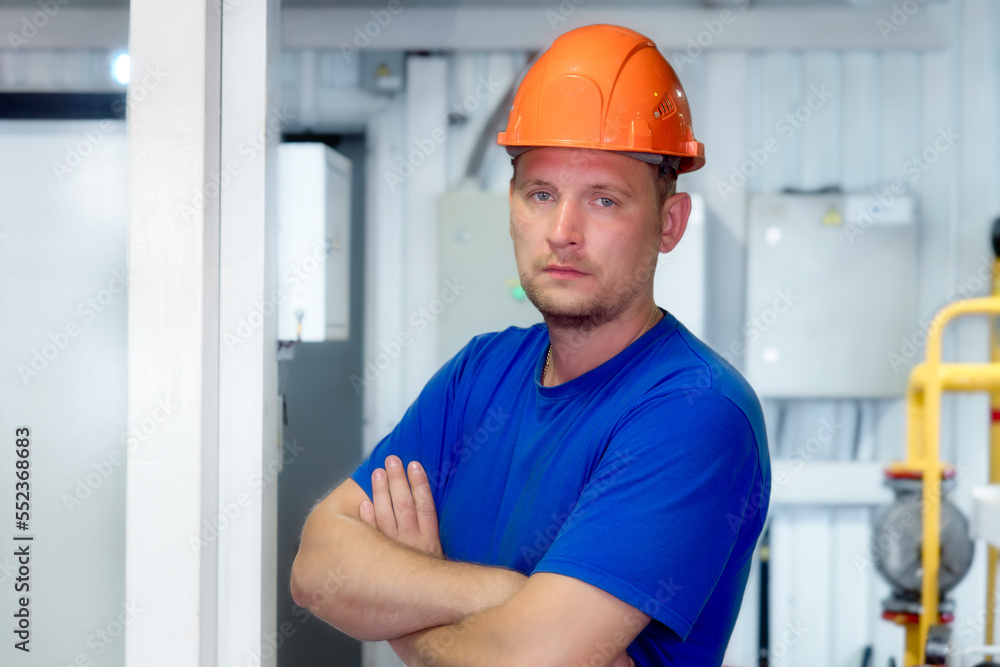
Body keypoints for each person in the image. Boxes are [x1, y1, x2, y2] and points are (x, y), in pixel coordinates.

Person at [291, 23, 770, 667]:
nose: (563, 232)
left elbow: (531, 662)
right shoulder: (478, 374)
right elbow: (318, 566)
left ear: (670, 224)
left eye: (604, 200)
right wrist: (506, 595)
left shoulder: (695, 413)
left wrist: (402, 617)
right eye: (541, 194)